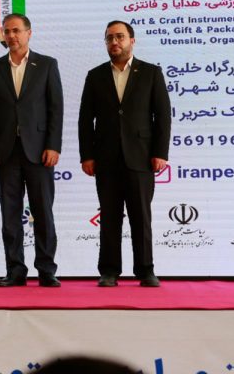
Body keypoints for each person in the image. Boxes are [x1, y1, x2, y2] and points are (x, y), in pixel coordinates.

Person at [78, 20, 171, 288]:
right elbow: (85, 120)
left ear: (132, 40)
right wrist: (87, 155)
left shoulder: (151, 73)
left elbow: (162, 116)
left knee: (141, 217)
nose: (114, 42)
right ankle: (109, 270)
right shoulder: (95, 75)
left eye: (119, 37)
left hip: (141, 157)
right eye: (109, 38)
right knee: (109, 217)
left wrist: (160, 152)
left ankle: (145, 270)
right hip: (105, 158)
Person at [0, 13, 63, 288]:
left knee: (43, 212)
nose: (11, 36)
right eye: (7, 31)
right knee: (10, 214)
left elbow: (56, 109)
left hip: (39, 152)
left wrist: (53, 145)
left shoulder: (47, 64)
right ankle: (15, 270)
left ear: (29, 33)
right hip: (5, 153)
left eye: (16, 30)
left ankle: (46, 269)